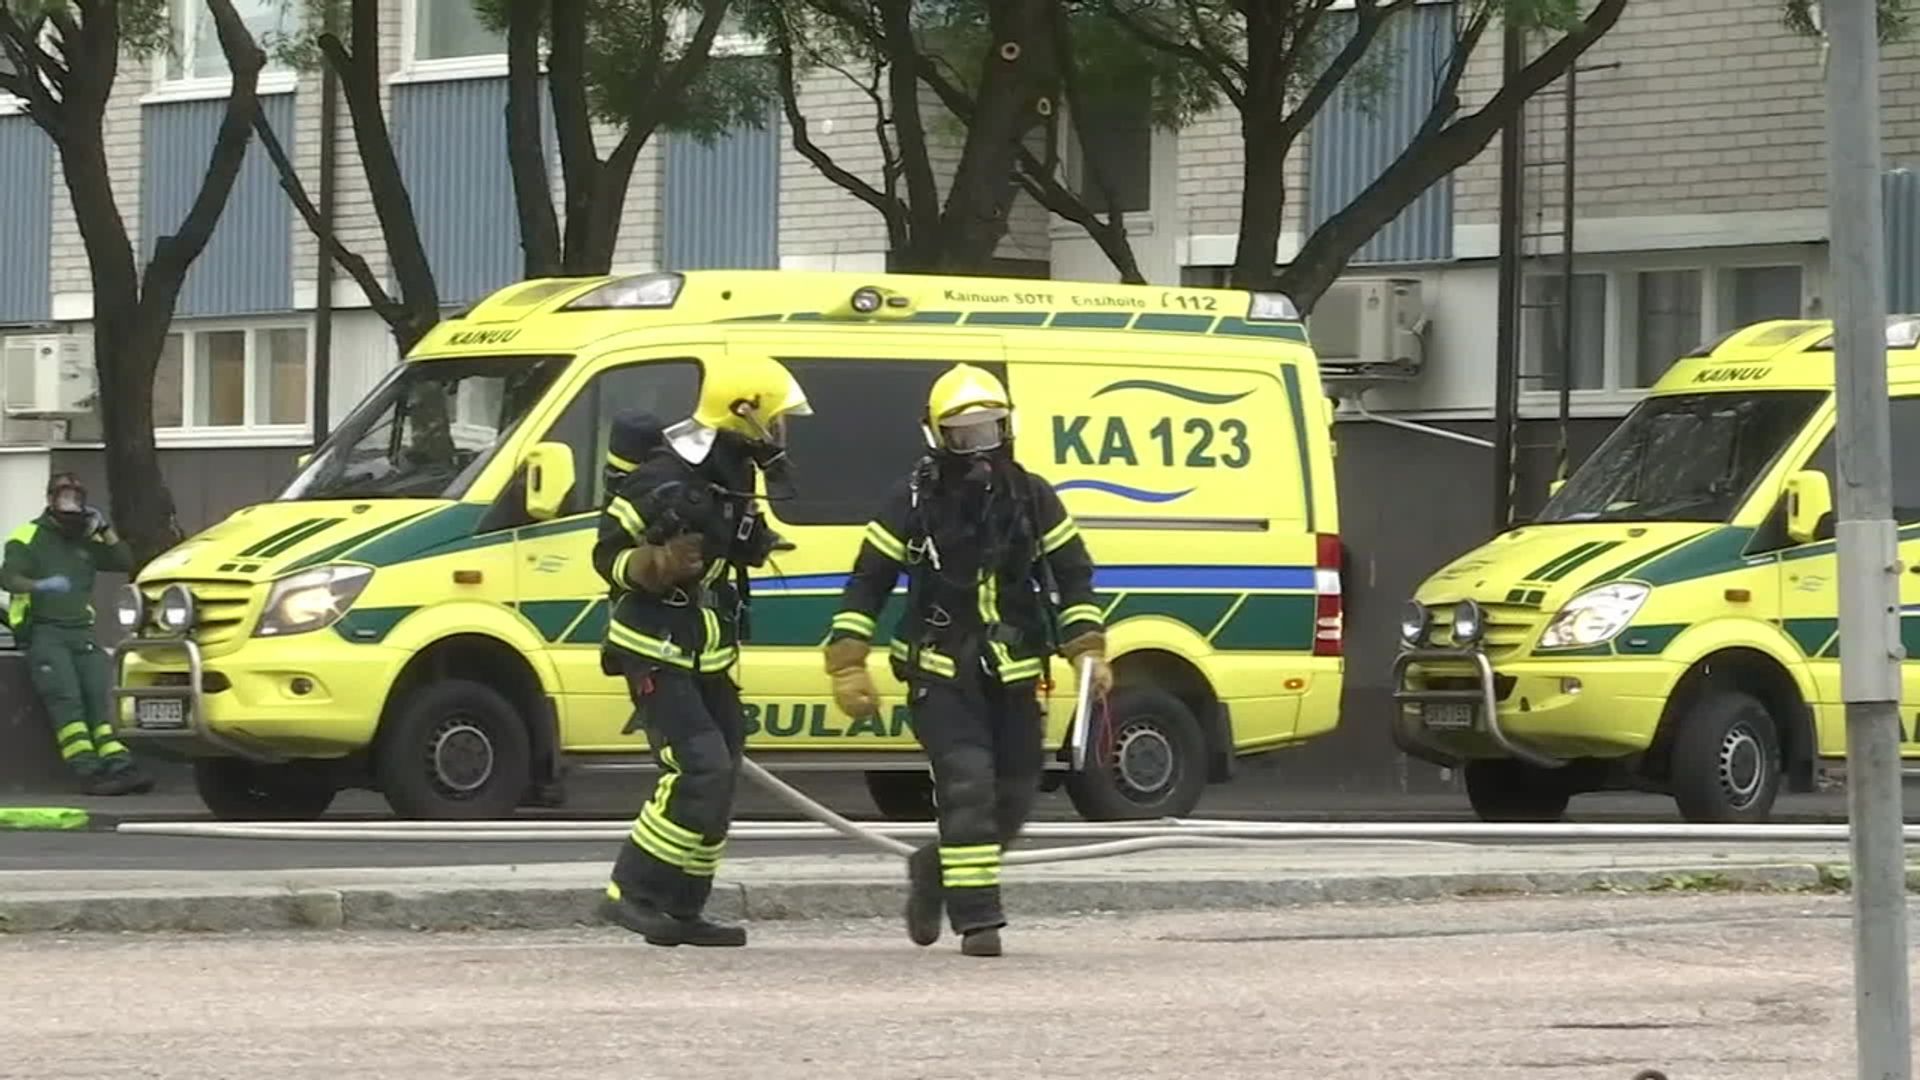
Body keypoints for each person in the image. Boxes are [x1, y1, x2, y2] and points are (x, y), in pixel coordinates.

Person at [822, 363, 1112, 958]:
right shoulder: (911, 502)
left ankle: (934, 869)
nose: (979, 447)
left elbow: (1073, 575)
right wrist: (848, 660)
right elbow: (868, 581)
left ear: (1007, 429)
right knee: (968, 787)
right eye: (964, 435)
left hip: (1015, 673)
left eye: (989, 430)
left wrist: (1087, 647)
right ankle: (979, 921)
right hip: (940, 672)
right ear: (937, 436)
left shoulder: (1033, 497)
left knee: (1015, 798)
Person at [593, 357, 811, 948]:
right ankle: (631, 891)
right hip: (654, 649)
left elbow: (728, 542)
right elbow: (606, 555)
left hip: (706, 652)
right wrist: (651, 564)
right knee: (697, 767)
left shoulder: (730, 473)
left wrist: (754, 543)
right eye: (776, 419)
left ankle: (683, 907)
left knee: (723, 771)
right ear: (745, 415)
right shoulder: (664, 477)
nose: (781, 432)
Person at [1, 474, 152, 796]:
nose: (70, 505)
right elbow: (9, 578)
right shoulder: (28, 536)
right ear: (50, 500)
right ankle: (88, 771)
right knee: (67, 702)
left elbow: (123, 561)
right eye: (64, 497)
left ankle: (120, 765)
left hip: (82, 632)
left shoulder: (84, 540)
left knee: (100, 700)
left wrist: (105, 529)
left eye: (76, 498)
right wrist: (40, 585)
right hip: (45, 632)